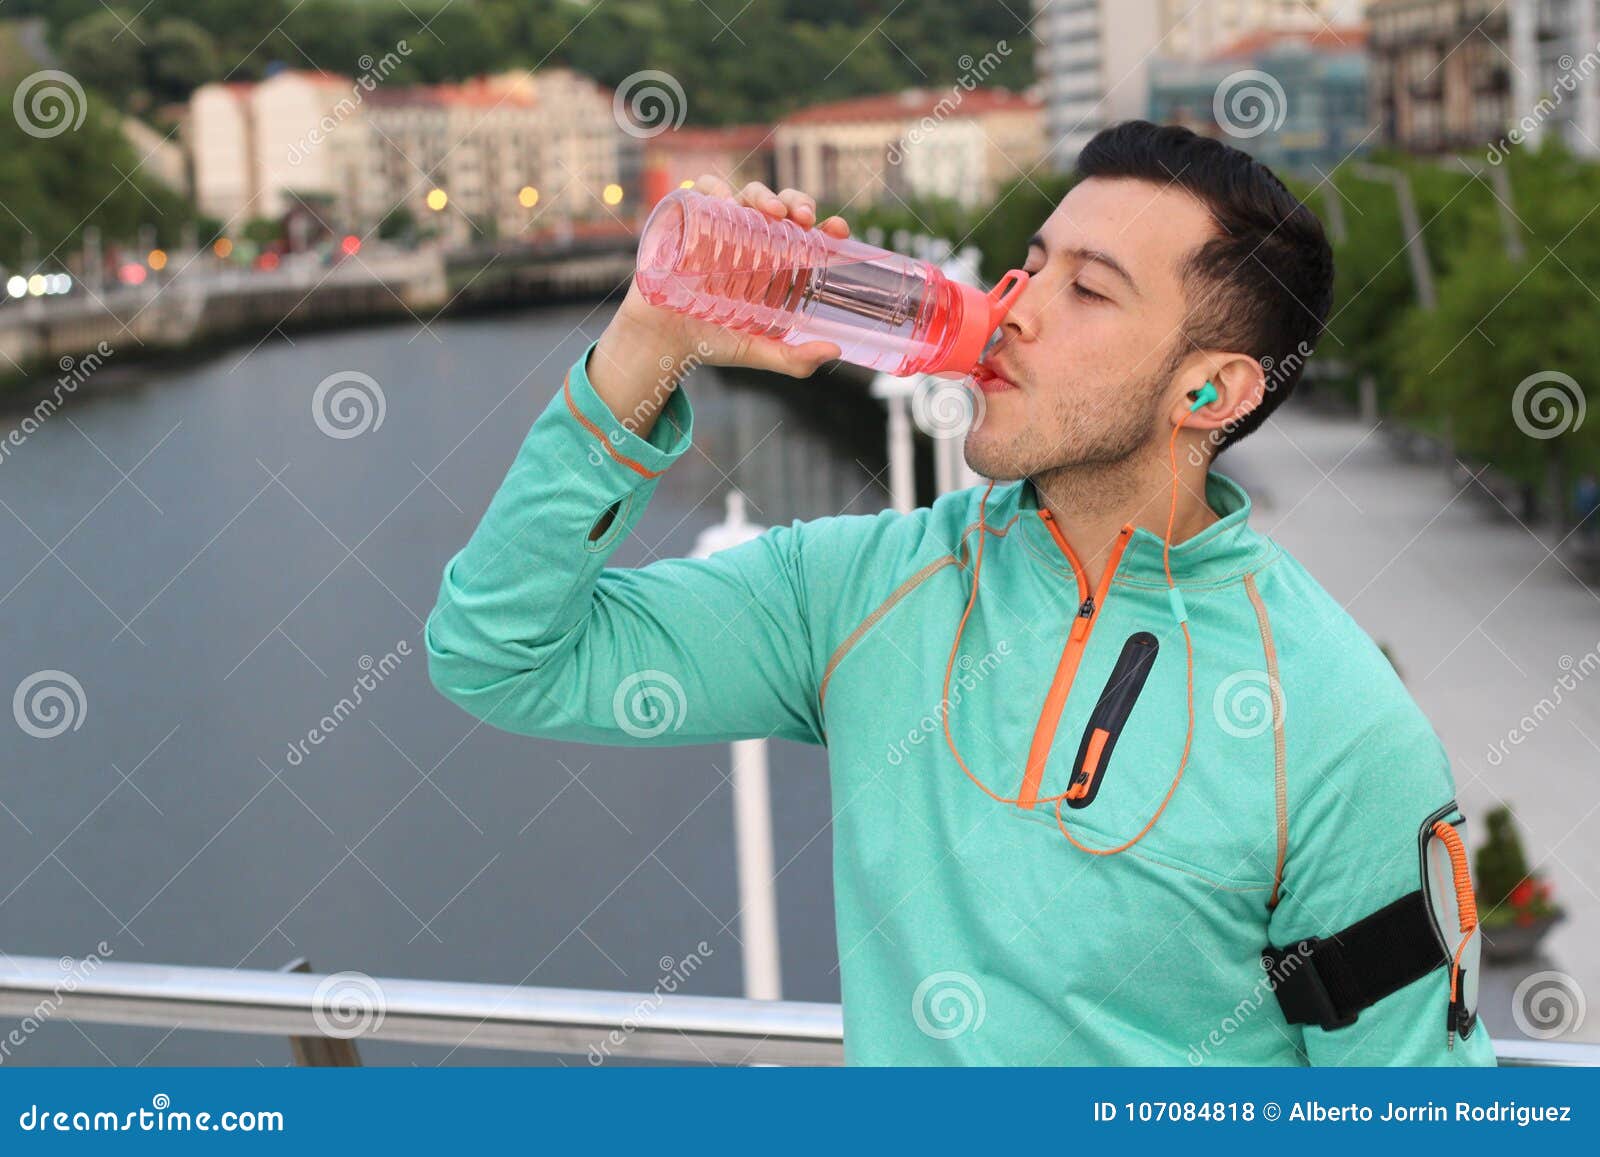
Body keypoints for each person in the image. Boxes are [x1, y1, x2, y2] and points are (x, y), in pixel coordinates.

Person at [425, 121, 1495, 1067]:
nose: (1015, 308)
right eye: (1029, 266)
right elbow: (499, 654)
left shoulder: (1335, 723)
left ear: (1209, 388)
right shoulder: (854, 591)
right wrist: (647, 348)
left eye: (1087, 287)